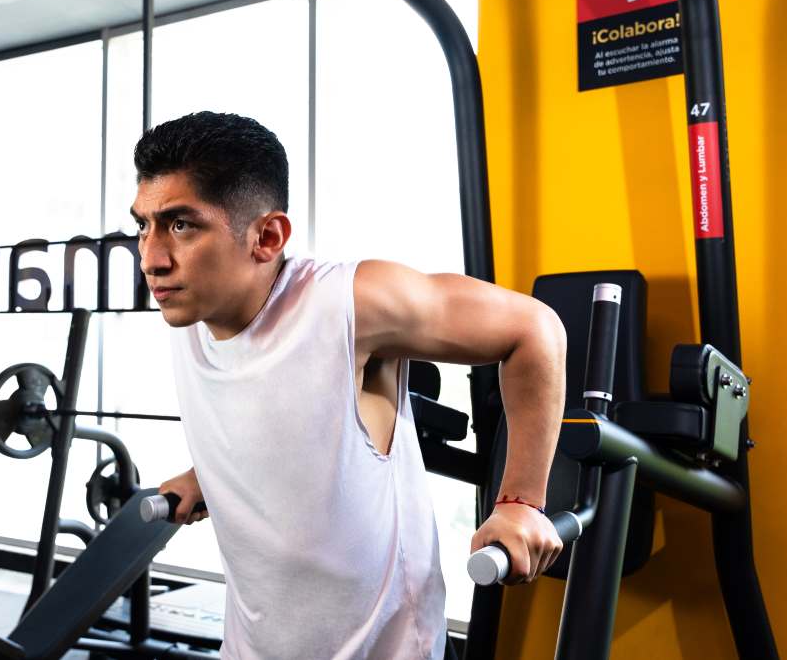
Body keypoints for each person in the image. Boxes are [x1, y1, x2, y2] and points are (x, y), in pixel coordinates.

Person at [133, 111, 566, 659]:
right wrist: (208, 475)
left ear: (266, 236)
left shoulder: (350, 303)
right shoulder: (192, 311)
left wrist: (522, 500)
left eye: (181, 225)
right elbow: (273, 408)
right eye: (143, 225)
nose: (151, 258)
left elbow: (535, 329)